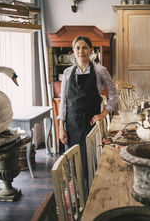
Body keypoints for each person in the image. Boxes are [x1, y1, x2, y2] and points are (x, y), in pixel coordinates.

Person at [58, 36, 118, 187]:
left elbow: (114, 93)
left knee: (91, 161)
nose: (81, 51)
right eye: (77, 48)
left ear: (91, 50)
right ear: (73, 51)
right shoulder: (67, 73)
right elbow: (64, 100)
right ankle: (79, 193)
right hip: (72, 125)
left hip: (91, 124)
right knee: (74, 163)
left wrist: (104, 114)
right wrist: (61, 127)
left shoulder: (99, 70)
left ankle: (93, 190)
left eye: (85, 47)